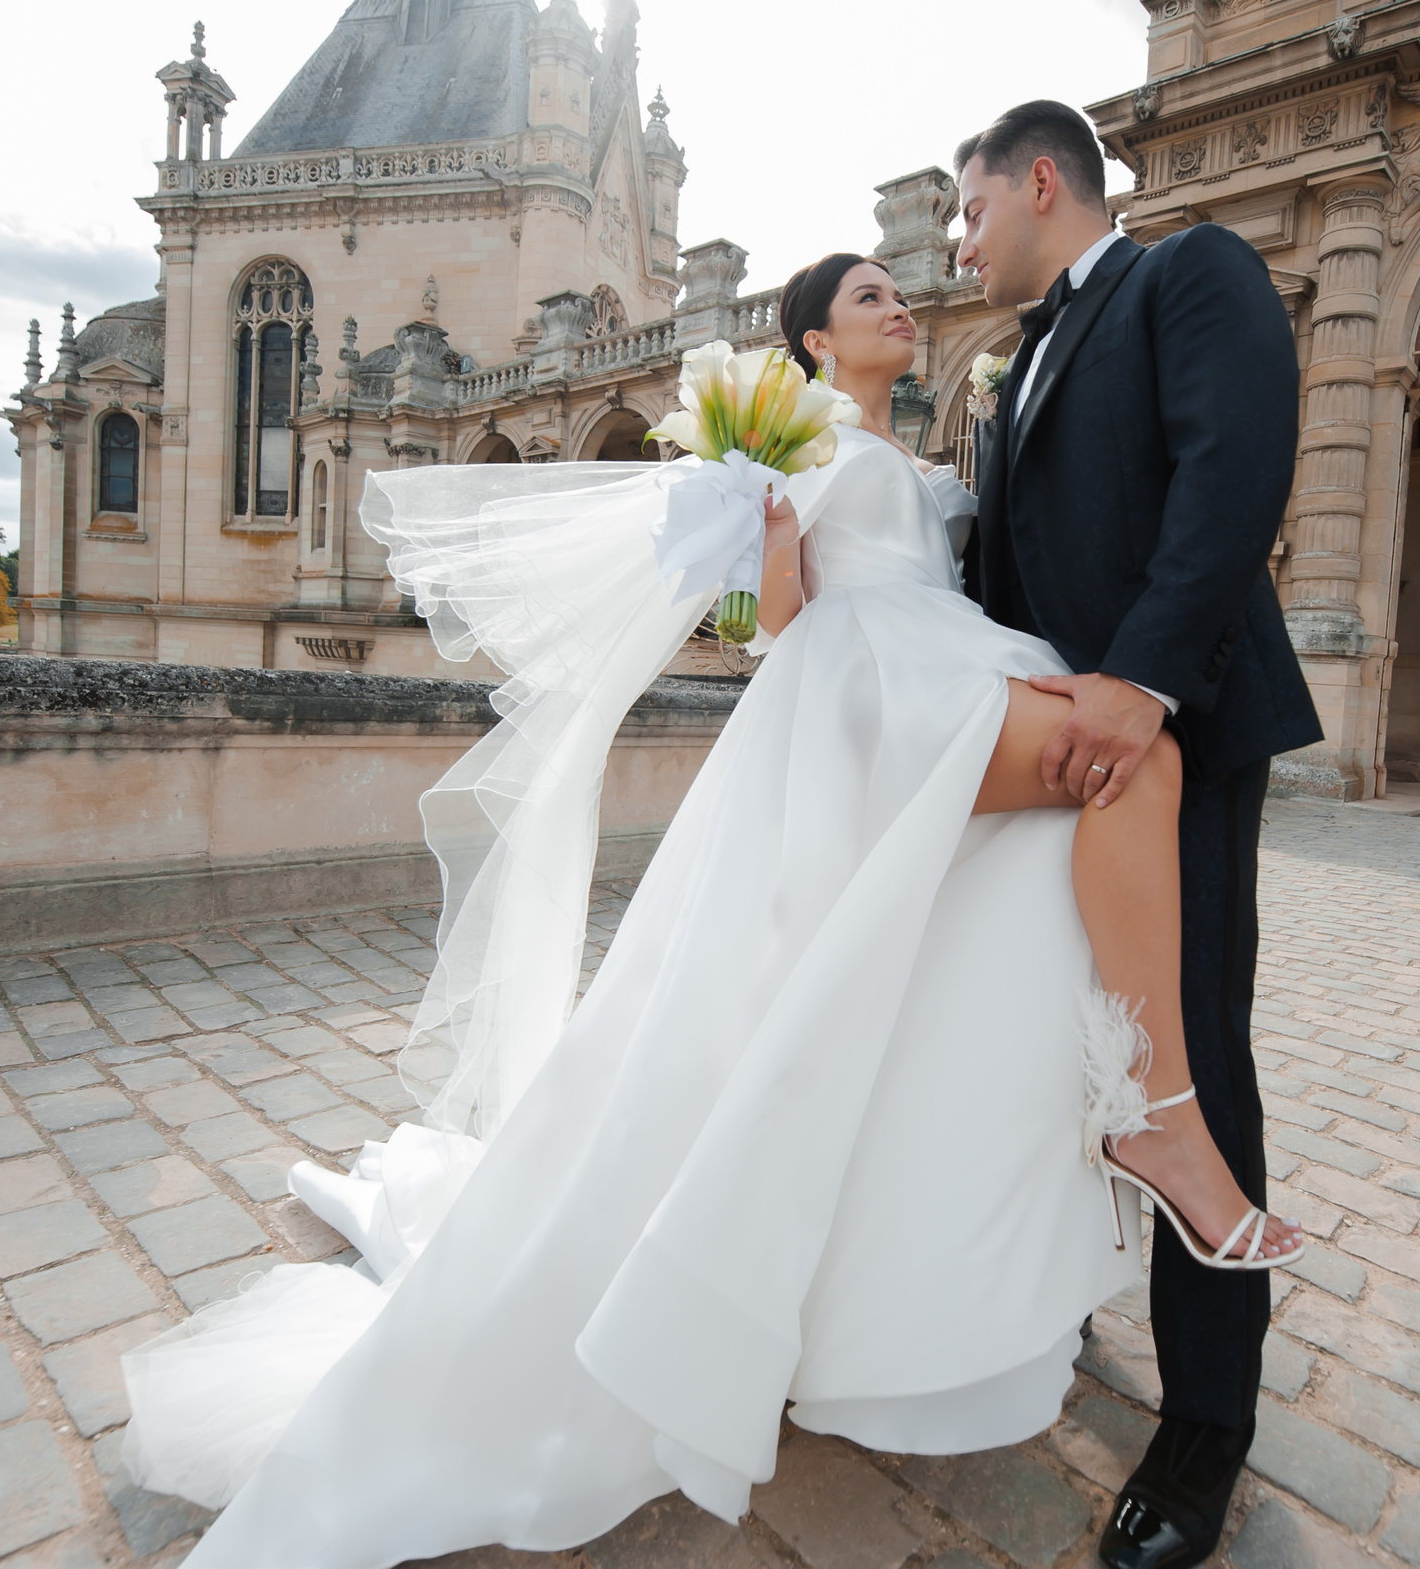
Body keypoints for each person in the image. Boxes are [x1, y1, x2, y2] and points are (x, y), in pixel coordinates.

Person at [115, 195, 1308, 1569]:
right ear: (808, 338)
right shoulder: (793, 449)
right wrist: (765, 541)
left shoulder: (948, 430)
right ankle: (1156, 1121)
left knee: (922, 1002)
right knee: (1132, 777)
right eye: (871, 293)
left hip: (950, 669)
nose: (913, 288)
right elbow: (772, 625)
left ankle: (1046, 1221)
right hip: (879, 693)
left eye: (915, 268)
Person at [955, 99, 1321, 1569]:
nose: (960, 241)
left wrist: (1143, 680)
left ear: (1042, 181)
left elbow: (1237, 475)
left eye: (970, 211)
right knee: (1072, 1046)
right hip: (1054, 764)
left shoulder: (1192, 275)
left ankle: (1208, 1425)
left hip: (1171, 737)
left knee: (1190, 1057)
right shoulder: (1012, 365)